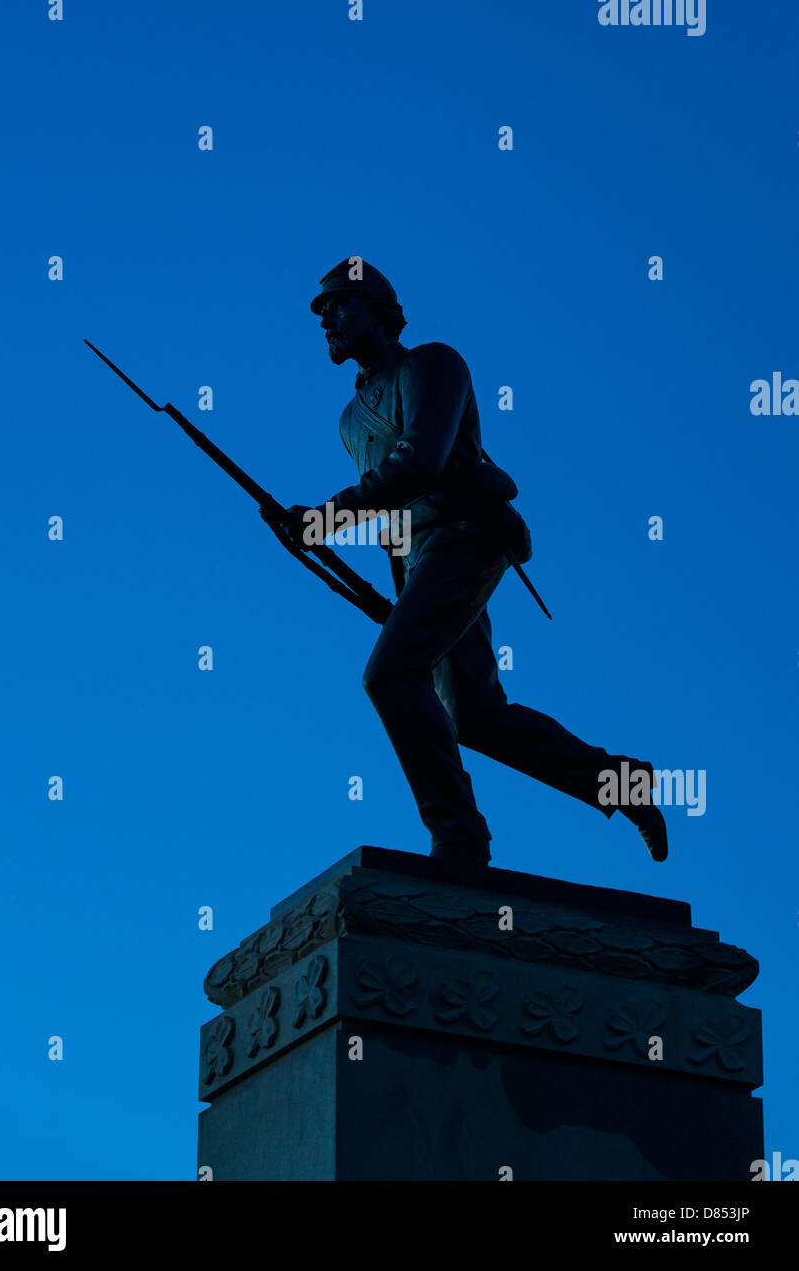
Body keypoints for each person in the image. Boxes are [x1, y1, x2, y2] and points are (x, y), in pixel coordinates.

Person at [275, 258, 668, 867]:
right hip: (416, 563)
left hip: (464, 539)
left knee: (389, 675)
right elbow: (392, 514)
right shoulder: (351, 420)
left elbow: (419, 465)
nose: (328, 322)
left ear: (380, 311)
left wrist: (324, 519)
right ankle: (621, 783)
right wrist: (312, 534)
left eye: (340, 308)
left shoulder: (433, 364)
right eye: (322, 314)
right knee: (477, 718)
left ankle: (458, 836)